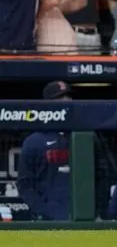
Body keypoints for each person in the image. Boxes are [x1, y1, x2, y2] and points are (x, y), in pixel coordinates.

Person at [16, 81, 72, 220]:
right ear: (48, 104)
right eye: (60, 97)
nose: (67, 100)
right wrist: (45, 211)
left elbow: (100, 175)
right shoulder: (34, 141)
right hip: (47, 221)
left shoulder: (87, 136)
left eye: (68, 96)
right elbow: (25, 184)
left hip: (83, 217)